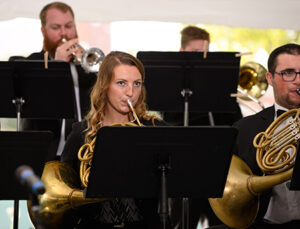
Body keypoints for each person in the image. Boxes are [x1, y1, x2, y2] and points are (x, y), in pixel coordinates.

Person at [61, 51, 166, 228]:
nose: (131, 92)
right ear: (104, 85)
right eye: (121, 83)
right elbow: (66, 191)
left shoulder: (155, 129)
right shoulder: (81, 133)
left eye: (137, 84)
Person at [210, 43, 300, 229]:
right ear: (270, 78)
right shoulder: (244, 128)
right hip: (263, 223)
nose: (298, 80)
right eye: (288, 73)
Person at [12, 2, 98, 161]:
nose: (64, 33)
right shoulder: (31, 64)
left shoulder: (88, 66)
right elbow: (32, 104)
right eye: (56, 27)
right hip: (46, 154)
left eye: (69, 26)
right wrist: (55, 67)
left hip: (85, 153)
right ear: (43, 31)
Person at [163, 25, 242, 126]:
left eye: (205, 53)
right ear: (181, 52)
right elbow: (169, 120)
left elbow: (236, 122)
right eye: (195, 52)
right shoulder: (170, 83)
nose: (201, 58)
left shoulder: (217, 83)